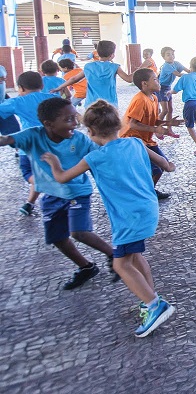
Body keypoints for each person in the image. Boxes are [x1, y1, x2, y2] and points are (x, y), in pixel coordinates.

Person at [42, 100, 177, 337]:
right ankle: (149, 299)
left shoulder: (94, 158)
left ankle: (156, 306)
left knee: (120, 263)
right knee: (134, 257)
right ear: (118, 124)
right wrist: (170, 165)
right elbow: (166, 165)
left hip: (128, 217)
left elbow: (62, 178)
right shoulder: (135, 142)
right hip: (148, 209)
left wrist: (53, 163)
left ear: (91, 132)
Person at [1, 97, 118, 289]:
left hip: (77, 192)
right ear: (48, 124)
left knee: (79, 232)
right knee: (57, 237)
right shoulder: (33, 136)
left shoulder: (79, 139)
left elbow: (103, 154)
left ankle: (113, 254)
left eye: (75, 117)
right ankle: (86, 267)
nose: (75, 123)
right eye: (68, 119)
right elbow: (7, 139)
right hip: (50, 194)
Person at [0, 71, 56, 215]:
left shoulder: (17, 101)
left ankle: (51, 186)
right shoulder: (53, 99)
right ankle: (29, 203)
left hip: (29, 146)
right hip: (53, 146)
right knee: (42, 172)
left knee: (29, 173)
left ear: (21, 88)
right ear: (42, 85)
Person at [120, 68, 177, 200]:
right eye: (155, 80)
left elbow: (152, 119)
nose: (159, 82)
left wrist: (167, 122)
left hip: (145, 140)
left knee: (162, 166)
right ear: (144, 83)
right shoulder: (140, 100)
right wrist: (155, 130)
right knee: (156, 168)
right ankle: (144, 194)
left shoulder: (154, 98)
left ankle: (149, 191)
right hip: (132, 140)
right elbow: (132, 124)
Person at [54, 40, 133, 107]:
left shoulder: (88, 66)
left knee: (93, 124)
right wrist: (143, 65)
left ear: (97, 52)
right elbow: (129, 79)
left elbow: (74, 79)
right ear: (112, 55)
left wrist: (59, 87)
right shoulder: (115, 67)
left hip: (91, 104)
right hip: (110, 105)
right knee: (109, 124)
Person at [157, 47, 186, 138]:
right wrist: (190, 76)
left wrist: (194, 72)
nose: (171, 56)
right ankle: (157, 129)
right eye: (168, 54)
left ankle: (169, 129)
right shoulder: (166, 66)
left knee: (170, 110)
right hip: (161, 88)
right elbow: (178, 74)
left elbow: (187, 70)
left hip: (168, 87)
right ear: (163, 57)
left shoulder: (176, 63)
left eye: (172, 54)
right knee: (165, 110)